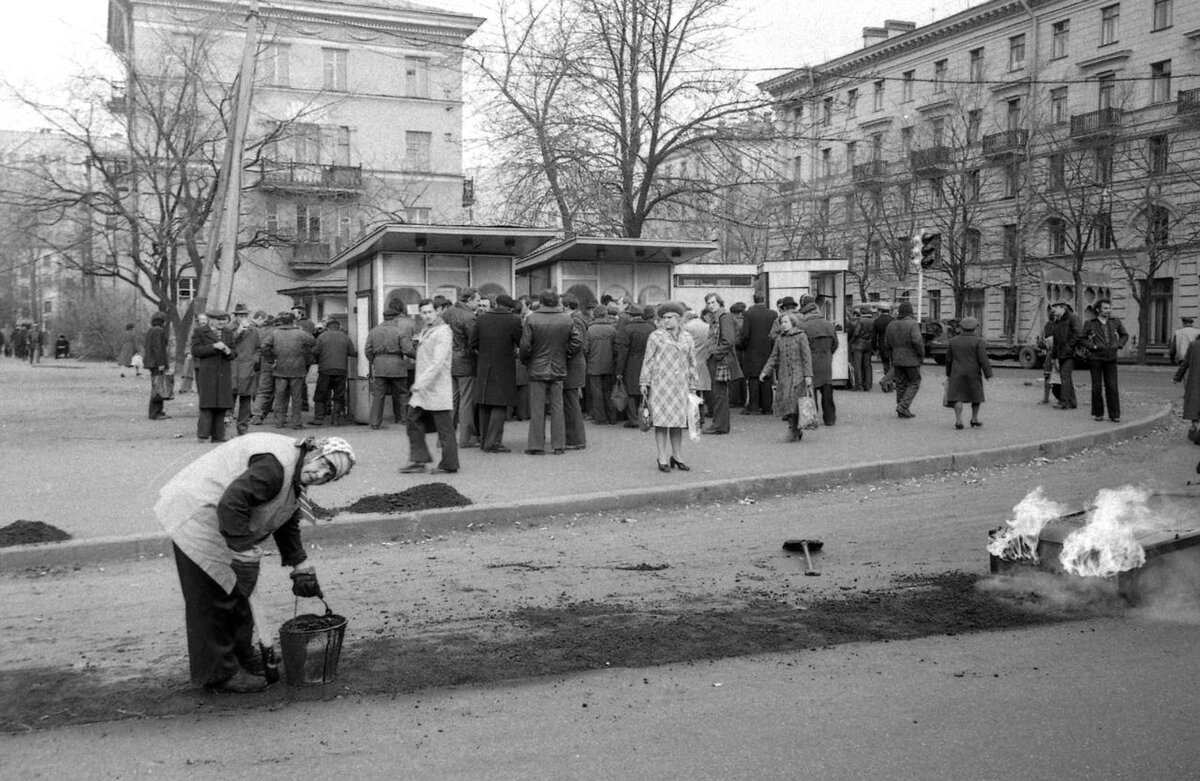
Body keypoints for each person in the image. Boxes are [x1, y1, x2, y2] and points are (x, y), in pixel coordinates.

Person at [155, 433, 356, 693]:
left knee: (239, 590)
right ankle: (219, 674)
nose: (321, 475)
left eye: (330, 476)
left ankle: (242, 655)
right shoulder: (275, 468)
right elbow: (232, 503)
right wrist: (243, 551)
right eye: (324, 465)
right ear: (315, 453)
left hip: (222, 518)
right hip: (197, 512)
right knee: (212, 599)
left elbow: (285, 516)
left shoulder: (294, 473)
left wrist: (299, 564)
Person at [640, 301, 699, 472]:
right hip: (661, 385)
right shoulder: (655, 336)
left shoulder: (687, 337)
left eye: (670, 317)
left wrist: (694, 384)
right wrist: (644, 381)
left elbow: (692, 362)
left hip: (680, 386)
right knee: (661, 422)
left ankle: (677, 456)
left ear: (679, 319)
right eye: (664, 318)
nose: (666, 321)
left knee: (677, 423)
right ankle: (662, 457)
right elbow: (648, 360)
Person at [402, 298, 458, 474]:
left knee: (444, 427)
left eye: (429, 312)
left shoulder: (443, 332)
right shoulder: (427, 330)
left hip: (435, 386)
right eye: (424, 312)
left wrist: (420, 383)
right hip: (424, 388)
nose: (426, 316)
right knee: (412, 419)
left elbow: (438, 362)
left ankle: (449, 464)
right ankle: (419, 460)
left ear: (437, 312)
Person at [520, 288, 580, 455]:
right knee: (557, 407)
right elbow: (577, 340)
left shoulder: (531, 318)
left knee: (537, 408)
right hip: (558, 366)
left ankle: (536, 445)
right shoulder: (566, 319)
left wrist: (527, 360)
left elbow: (525, 345)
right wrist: (566, 353)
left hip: (537, 368)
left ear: (541, 301)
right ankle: (558, 445)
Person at [470, 293, 523, 452]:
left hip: (484, 365)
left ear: (495, 304)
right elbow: (522, 342)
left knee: (485, 404)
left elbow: (472, 343)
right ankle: (493, 442)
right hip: (504, 366)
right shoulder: (514, 320)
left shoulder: (481, 319)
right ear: (510, 307)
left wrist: (485, 353)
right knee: (500, 405)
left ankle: (484, 440)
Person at [759, 312, 813, 442]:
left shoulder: (801, 336)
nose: (783, 325)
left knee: (795, 403)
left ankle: (793, 429)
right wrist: (765, 371)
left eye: (785, 322)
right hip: (784, 376)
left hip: (798, 376)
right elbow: (774, 357)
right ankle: (794, 428)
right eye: (781, 322)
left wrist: (808, 375)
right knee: (787, 402)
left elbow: (806, 357)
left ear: (792, 323)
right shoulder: (780, 339)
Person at [364, 300, 416, 430]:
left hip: (380, 366)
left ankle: (375, 422)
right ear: (395, 318)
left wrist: (375, 361)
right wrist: (418, 356)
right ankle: (404, 419)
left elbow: (368, 350)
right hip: (397, 365)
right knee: (403, 393)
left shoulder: (374, 331)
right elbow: (407, 350)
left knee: (378, 395)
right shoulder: (400, 331)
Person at [442, 287, 482, 449]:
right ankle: (467, 438)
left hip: (448, 358)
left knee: (452, 399)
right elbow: (474, 341)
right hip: (465, 360)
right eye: (477, 301)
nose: (478, 304)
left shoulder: (448, 312)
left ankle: (445, 438)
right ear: (470, 300)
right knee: (467, 400)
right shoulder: (469, 317)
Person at [261, 312, 315, 430]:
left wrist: (271, 360)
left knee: (280, 397)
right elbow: (312, 341)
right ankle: (296, 423)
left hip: (280, 368)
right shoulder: (300, 333)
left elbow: (264, 347)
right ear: (293, 321)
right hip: (297, 369)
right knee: (296, 397)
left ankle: (279, 422)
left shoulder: (274, 334)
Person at [192, 310, 236, 442]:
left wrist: (228, 351)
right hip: (207, 373)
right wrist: (214, 346)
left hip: (223, 373)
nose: (222, 322)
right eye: (219, 320)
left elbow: (234, 353)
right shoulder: (200, 332)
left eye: (224, 320)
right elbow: (195, 351)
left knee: (222, 405)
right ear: (211, 320)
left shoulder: (228, 333)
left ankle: (218, 436)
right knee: (207, 405)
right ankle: (203, 435)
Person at [702, 293, 742, 435]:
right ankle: (720, 424)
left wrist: (714, 352)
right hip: (719, 358)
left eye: (713, 302)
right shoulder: (718, 318)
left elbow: (728, 340)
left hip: (720, 360)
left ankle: (719, 425)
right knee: (719, 393)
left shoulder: (724, 318)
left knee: (719, 394)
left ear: (719, 303)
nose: (711, 305)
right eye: (708, 303)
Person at [1082, 299, 1128, 423]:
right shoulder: (1090, 323)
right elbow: (1082, 339)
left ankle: (1114, 414)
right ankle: (1098, 413)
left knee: (1112, 386)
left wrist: (1118, 345)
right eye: (1105, 308)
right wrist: (1093, 346)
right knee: (1096, 387)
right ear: (1098, 310)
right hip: (1096, 358)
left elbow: (1124, 335)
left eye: (1109, 308)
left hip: (1111, 358)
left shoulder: (1115, 322)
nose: (1108, 310)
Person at [945, 316, 993, 430]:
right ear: (975, 328)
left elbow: (948, 359)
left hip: (957, 372)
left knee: (957, 397)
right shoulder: (979, 342)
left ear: (961, 327)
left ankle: (958, 420)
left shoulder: (953, 341)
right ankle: (974, 418)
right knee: (975, 396)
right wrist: (988, 374)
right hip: (973, 373)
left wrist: (948, 373)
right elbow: (983, 359)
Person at [797, 295, 839, 426]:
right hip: (826, 360)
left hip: (810, 361)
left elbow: (801, 347)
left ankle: (811, 417)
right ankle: (830, 418)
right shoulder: (829, 325)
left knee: (810, 390)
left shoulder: (803, 327)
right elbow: (835, 344)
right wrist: (827, 354)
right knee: (827, 390)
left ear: (807, 313)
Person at [614, 304, 656, 429]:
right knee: (646, 391)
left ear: (631, 315)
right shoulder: (651, 327)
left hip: (631, 364)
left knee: (632, 392)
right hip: (649, 363)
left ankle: (633, 420)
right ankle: (647, 418)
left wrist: (619, 370)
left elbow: (623, 352)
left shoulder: (627, 329)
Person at [310, 319, 356, 426]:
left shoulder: (322, 336)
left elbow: (315, 351)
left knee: (321, 393)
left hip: (325, 369)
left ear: (328, 327)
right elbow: (352, 352)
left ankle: (319, 418)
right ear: (338, 326)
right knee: (338, 395)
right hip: (341, 370)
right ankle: (335, 419)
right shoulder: (345, 337)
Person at [884, 301, 925, 418]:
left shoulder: (891, 324)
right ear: (910, 312)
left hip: (896, 358)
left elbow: (886, 343)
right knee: (914, 382)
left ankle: (901, 408)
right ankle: (903, 406)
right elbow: (917, 341)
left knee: (900, 384)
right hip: (911, 359)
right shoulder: (913, 324)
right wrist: (921, 355)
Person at [739, 293, 777, 415]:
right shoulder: (773, 314)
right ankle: (767, 407)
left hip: (752, 350)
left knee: (753, 378)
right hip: (768, 350)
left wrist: (742, 346)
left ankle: (754, 406)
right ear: (764, 299)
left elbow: (745, 334)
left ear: (753, 300)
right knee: (766, 377)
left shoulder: (748, 314)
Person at [561, 293, 588, 450]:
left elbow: (577, 343)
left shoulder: (574, 320)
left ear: (566, 306)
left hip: (573, 365)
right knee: (571, 401)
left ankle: (575, 439)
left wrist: (565, 352)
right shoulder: (579, 318)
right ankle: (574, 438)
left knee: (571, 403)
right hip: (576, 365)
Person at [229, 304, 262, 437]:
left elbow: (258, 348)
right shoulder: (228, 329)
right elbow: (228, 344)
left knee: (246, 400)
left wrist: (255, 359)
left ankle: (242, 429)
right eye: (240, 316)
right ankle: (225, 428)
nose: (243, 318)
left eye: (244, 316)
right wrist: (238, 332)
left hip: (247, 368)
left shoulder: (254, 331)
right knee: (229, 400)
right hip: (232, 368)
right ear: (235, 317)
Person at [585, 304, 620, 425]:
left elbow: (585, 349)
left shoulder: (590, 330)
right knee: (608, 391)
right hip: (609, 365)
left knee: (596, 392)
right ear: (605, 314)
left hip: (594, 365)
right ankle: (612, 417)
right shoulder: (612, 330)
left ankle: (600, 417)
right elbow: (616, 348)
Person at [1048, 301, 1083, 410]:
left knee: (1065, 376)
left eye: (1056, 308)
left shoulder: (1072, 318)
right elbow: (1056, 341)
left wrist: (1069, 346)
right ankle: (1072, 402)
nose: (1053, 311)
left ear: (1063, 308)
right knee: (1067, 377)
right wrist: (1054, 356)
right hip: (1062, 353)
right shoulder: (1057, 322)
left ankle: (1064, 402)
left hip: (1071, 353)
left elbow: (1079, 334)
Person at [145, 311, 171, 421]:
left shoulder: (151, 330)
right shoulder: (159, 331)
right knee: (158, 387)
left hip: (152, 362)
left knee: (157, 386)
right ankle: (155, 412)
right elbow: (158, 348)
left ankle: (157, 410)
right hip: (157, 363)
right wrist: (161, 363)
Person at [1173, 336, 1200, 443]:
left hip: (1196, 381)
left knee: (1195, 404)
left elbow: (1185, 363)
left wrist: (1177, 377)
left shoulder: (1194, 345)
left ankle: (1196, 427)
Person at [849, 306, 875, 392]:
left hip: (858, 345)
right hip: (868, 344)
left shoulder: (861, 321)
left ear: (862, 313)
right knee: (867, 366)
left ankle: (858, 385)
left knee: (858, 366)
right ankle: (867, 385)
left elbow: (856, 333)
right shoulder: (873, 321)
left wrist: (852, 342)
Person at [873, 303, 894, 383]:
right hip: (892, 345)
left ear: (880, 311)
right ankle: (892, 378)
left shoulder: (877, 321)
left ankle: (887, 379)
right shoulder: (893, 320)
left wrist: (874, 347)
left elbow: (874, 336)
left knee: (885, 363)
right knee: (893, 364)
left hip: (882, 345)